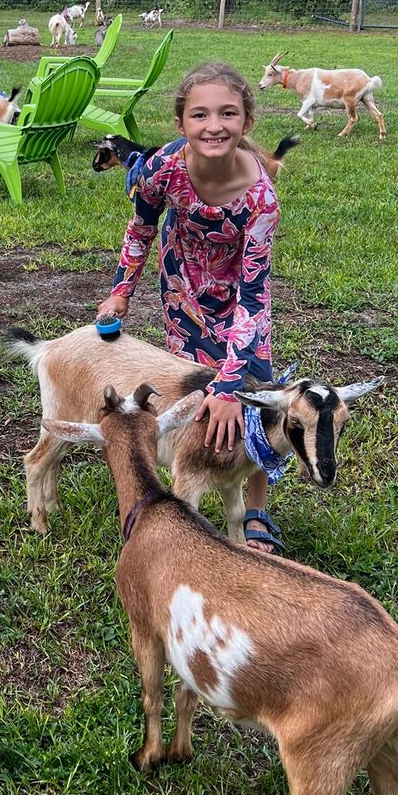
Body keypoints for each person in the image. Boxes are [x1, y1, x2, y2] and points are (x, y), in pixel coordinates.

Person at [96, 60, 285, 553]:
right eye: (199, 115)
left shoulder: (261, 199)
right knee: (202, 401)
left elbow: (255, 290)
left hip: (242, 304)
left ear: (246, 121)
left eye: (228, 113)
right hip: (182, 294)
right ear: (181, 124)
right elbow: (140, 229)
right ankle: (208, 482)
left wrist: (229, 384)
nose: (214, 126)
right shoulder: (162, 168)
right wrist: (122, 288)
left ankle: (256, 508)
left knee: (255, 399)